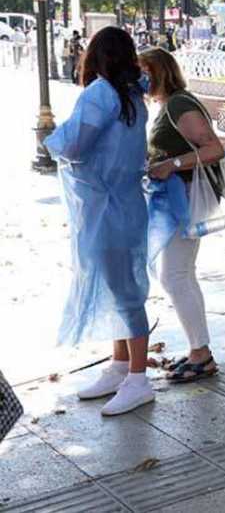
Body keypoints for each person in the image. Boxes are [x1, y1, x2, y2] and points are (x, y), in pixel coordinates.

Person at [44, 27, 154, 416]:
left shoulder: (100, 94)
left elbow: (72, 144)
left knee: (124, 290)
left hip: (107, 208)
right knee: (121, 284)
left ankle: (138, 377)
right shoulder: (133, 96)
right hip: (125, 203)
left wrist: (50, 138)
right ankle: (122, 364)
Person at [141, 48, 225, 382]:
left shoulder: (178, 103)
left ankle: (202, 354)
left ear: (158, 71)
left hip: (186, 198)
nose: (137, 78)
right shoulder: (167, 104)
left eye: (142, 70)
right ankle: (198, 350)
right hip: (177, 198)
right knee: (182, 274)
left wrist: (171, 164)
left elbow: (213, 148)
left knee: (173, 276)